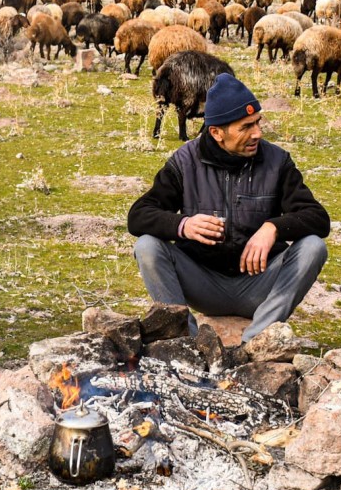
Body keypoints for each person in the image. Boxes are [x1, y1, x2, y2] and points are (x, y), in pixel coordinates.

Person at [128, 74, 330, 343]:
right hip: (203, 284)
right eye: (246, 126)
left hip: (260, 285)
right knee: (147, 246)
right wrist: (183, 225)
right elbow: (138, 215)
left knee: (314, 247)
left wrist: (273, 228)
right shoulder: (185, 162)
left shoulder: (277, 161)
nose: (257, 133)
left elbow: (318, 218)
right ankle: (187, 341)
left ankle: (254, 342)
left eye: (257, 122)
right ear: (216, 132)